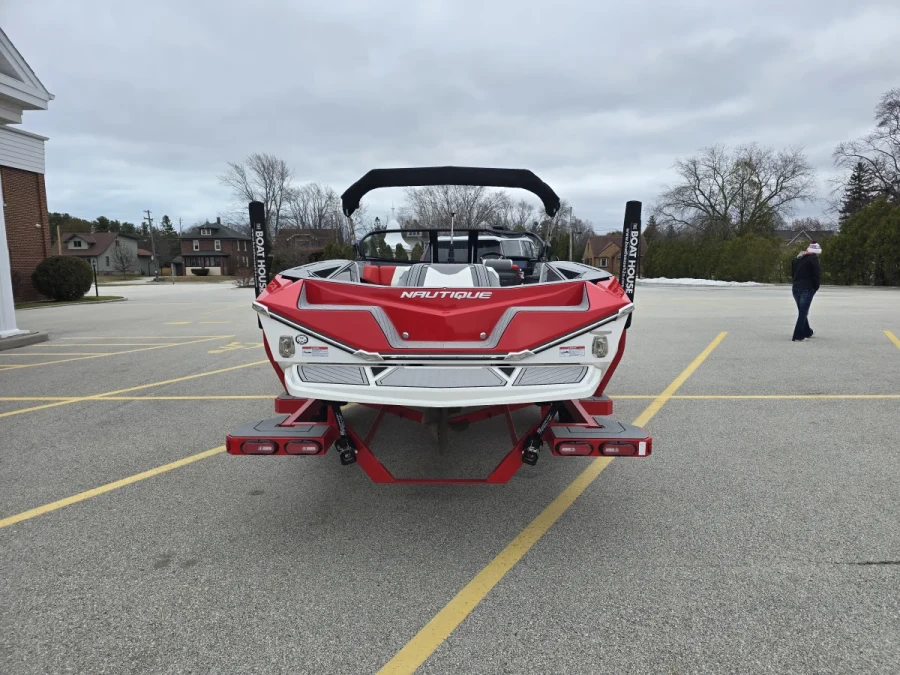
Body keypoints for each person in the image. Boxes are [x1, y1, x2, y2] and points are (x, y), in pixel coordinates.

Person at [790, 241, 821, 342]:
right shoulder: (813, 259)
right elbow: (816, 275)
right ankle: (798, 336)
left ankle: (807, 331)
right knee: (803, 312)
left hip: (795, 287)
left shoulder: (797, 259)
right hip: (807, 288)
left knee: (802, 310)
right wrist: (815, 287)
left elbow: (793, 272)